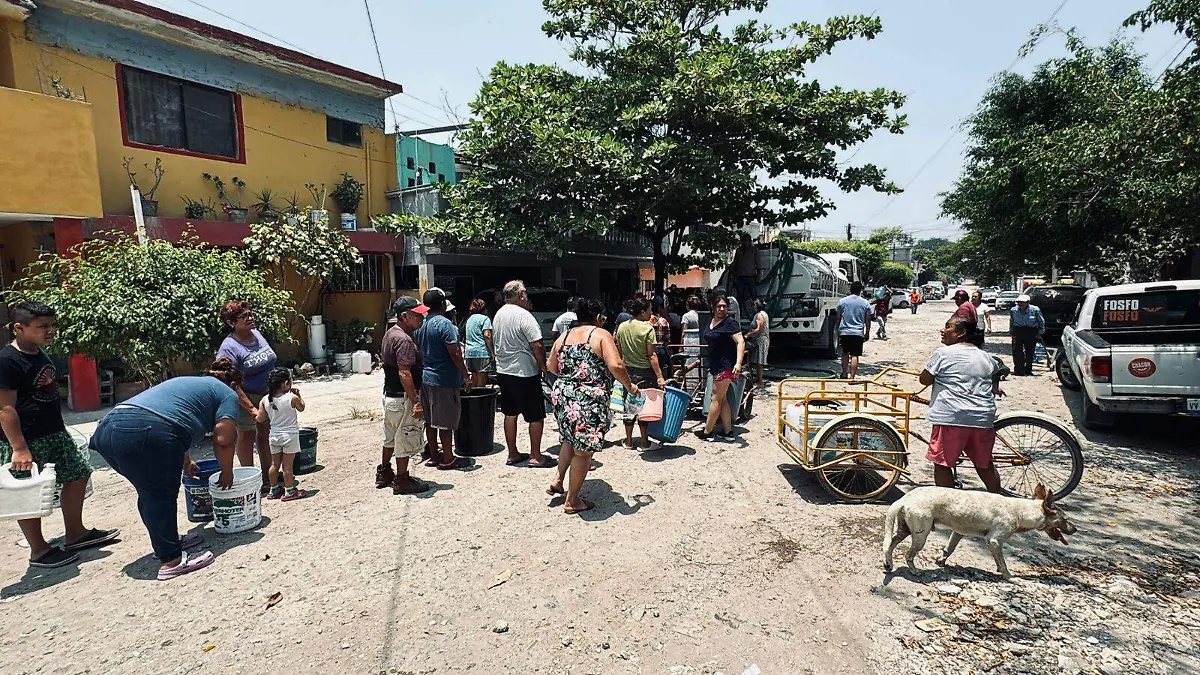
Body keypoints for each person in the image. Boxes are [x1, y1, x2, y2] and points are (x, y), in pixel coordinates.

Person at [88, 360, 246, 580]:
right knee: (159, 494)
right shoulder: (227, 394)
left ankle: (167, 542)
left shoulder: (189, 384)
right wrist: (227, 472)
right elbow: (224, 439)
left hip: (108, 430)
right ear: (235, 385)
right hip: (144, 430)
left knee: (149, 491)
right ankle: (172, 560)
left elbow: (170, 419)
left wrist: (186, 461)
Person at [0, 302, 118, 569]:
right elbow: (5, 408)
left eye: (52, 325)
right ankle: (39, 550)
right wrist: (18, 447)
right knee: (27, 491)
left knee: (78, 473)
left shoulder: (39, 352)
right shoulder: (7, 361)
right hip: (27, 439)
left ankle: (75, 533)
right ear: (19, 328)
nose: (50, 331)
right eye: (43, 327)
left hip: (53, 431)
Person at [547, 298, 637, 514]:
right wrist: (629, 386)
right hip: (587, 399)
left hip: (563, 396)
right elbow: (616, 365)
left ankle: (558, 480)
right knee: (583, 452)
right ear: (598, 317)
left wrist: (571, 380)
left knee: (569, 438)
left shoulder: (564, 336)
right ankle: (572, 501)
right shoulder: (600, 334)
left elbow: (551, 366)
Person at [919, 316, 1005, 493]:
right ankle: (998, 502)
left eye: (948, 327)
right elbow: (999, 369)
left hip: (951, 418)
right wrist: (994, 386)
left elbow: (924, 379)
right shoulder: (984, 356)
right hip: (982, 418)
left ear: (961, 333)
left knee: (942, 463)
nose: (943, 330)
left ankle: (947, 509)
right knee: (984, 464)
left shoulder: (943, 354)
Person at [217, 300, 277, 493]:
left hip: (266, 395)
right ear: (232, 323)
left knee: (265, 434)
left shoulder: (257, 335)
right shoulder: (229, 347)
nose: (251, 318)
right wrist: (250, 408)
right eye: (245, 317)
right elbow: (229, 381)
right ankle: (250, 480)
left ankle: (269, 477)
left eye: (251, 314)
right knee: (247, 435)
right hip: (245, 398)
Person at [492, 280, 553, 467]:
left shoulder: (499, 314)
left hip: (504, 370)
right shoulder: (523, 315)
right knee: (536, 415)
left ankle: (513, 453)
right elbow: (537, 344)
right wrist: (543, 366)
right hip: (524, 371)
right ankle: (536, 456)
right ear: (521, 294)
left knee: (510, 413)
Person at [376, 296, 430, 494]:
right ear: (405, 316)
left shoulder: (391, 333)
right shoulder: (404, 340)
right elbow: (404, 372)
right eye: (417, 315)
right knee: (405, 437)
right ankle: (401, 480)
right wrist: (416, 400)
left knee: (390, 437)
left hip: (391, 396)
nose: (422, 318)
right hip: (402, 398)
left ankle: (384, 472)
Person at [416, 288, 472, 471]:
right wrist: (465, 375)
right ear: (442, 304)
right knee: (446, 420)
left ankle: (434, 455)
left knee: (431, 420)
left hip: (427, 378)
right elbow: (455, 352)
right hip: (444, 379)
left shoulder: (422, 325)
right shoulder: (445, 324)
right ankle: (448, 458)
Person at [615, 298, 666, 450]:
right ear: (642, 312)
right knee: (644, 408)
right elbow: (652, 356)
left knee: (629, 407)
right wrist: (659, 376)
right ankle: (644, 442)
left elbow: (619, 351)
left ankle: (629, 441)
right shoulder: (648, 328)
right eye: (649, 310)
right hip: (645, 373)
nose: (651, 313)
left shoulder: (622, 327)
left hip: (628, 372)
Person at [255, 368, 308, 502]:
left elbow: (260, 418)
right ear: (285, 383)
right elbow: (301, 407)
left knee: (274, 465)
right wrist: (299, 395)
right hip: (289, 436)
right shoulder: (292, 397)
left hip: (273, 436)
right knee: (287, 466)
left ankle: (273, 489)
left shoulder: (265, 399)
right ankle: (289, 491)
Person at [697, 296, 745, 442]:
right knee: (723, 400)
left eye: (724, 306)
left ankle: (707, 432)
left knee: (715, 399)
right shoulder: (711, 322)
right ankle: (728, 432)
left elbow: (741, 341)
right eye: (719, 306)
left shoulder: (730, 323)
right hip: (715, 365)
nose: (722, 309)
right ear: (713, 307)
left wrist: (738, 363)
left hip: (725, 366)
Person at [836, 282, 873, 379]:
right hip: (858, 333)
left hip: (845, 332)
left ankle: (844, 374)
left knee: (845, 353)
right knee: (855, 355)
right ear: (860, 290)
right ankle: (852, 377)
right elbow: (867, 319)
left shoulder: (842, 301)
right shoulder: (865, 303)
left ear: (850, 289)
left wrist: (837, 330)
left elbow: (838, 318)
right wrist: (867, 332)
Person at [1009, 294, 1045, 376]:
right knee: (1017, 351)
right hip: (1018, 331)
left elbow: (1041, 321)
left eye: (1022, 302)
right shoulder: (1013, 310)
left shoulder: (1035, 310)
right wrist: (1011, 332)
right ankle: (1018, 370)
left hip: (1031, 331)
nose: (1020, 304)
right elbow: (1011, 321)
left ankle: (1028, 370)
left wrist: (1040, 333)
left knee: (1030, 352)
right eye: (1019, 302)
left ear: (1028, 303)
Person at [463, 298, 494, 389]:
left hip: (469, 352)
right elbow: (487, 335)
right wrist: (492, 352)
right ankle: (481, 400)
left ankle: (473, 399)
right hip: (481, 352)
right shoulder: (485, 319)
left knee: (474, 377)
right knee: (482, 381)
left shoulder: (469, 319)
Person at [731, 232, 759, 316]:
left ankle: (756, 313)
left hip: (751, 276)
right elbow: (735, 264)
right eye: (743, 241)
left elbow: (758, 264)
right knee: (739, 297)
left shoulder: (754, 250)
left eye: (747, 241)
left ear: (750, 241)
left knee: (754, 296)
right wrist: (734, 276)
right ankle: (739, 314)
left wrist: (758, 277)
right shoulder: (739, 251)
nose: (745, 242)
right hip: (740, 276)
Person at [744, 299, 770, 388]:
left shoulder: (760, 315)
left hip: (760, 340)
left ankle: (760, 381)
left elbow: (759, 329)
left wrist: (749, 335)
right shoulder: (764, 314)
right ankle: (758, 379)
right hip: (763, 339)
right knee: (759, 361)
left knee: (759, 361)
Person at [649, 298, 672, 380]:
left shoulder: (648, 321)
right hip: (661, 348)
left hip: (651, 349)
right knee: (662, 368)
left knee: (651, 370)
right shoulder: (664, 321)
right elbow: (667, 338)